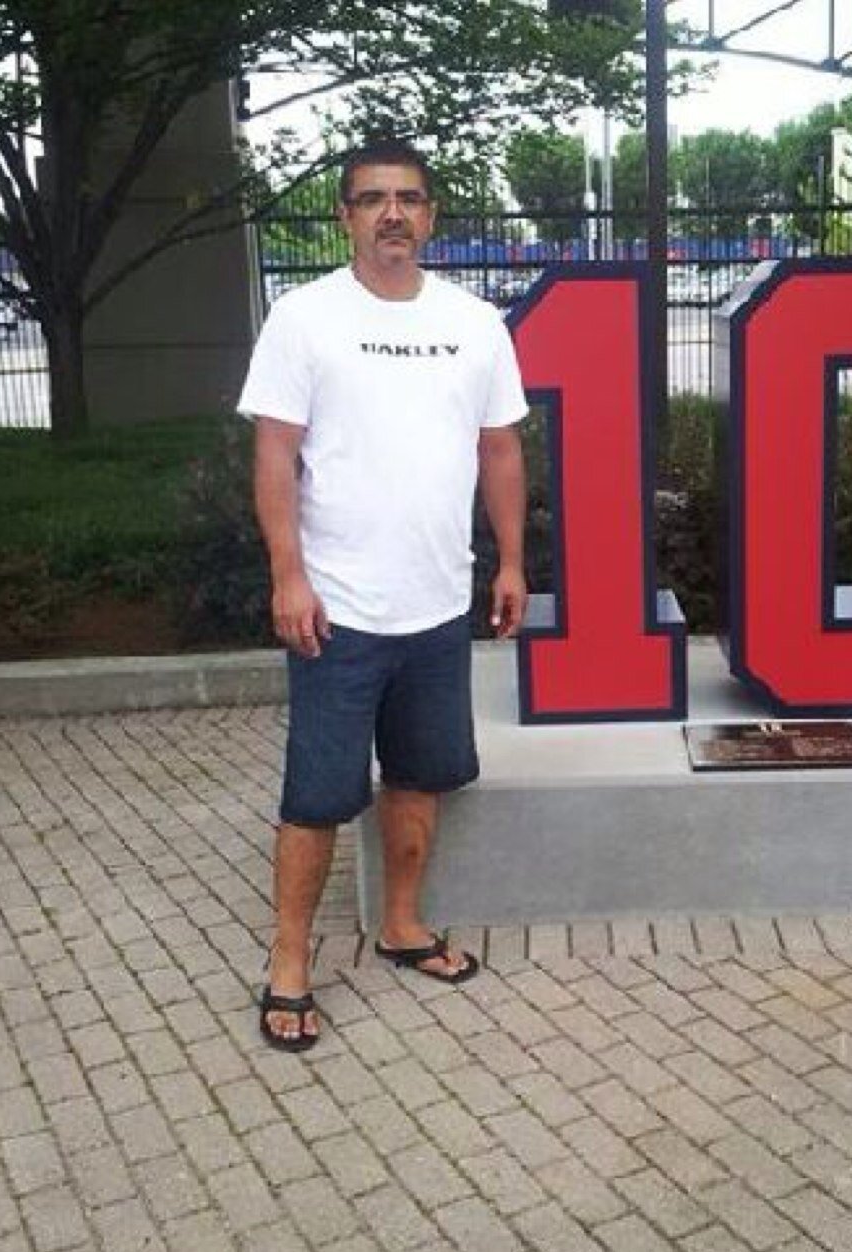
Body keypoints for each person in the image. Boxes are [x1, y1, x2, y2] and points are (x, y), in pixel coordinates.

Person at [239, 139, 528, 1051]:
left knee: (419, 777)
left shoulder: (477, 322)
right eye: (373, 200)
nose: (392, 214)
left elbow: (501, 450)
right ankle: (289, 965)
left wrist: (511, 564)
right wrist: (289, 574)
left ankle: (401, 925)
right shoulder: (304, 317)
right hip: (339, 609)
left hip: (438, 605)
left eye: (408, 198)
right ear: (346, 215)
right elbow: (275, 453)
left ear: (432, 215)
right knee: (317, 795)